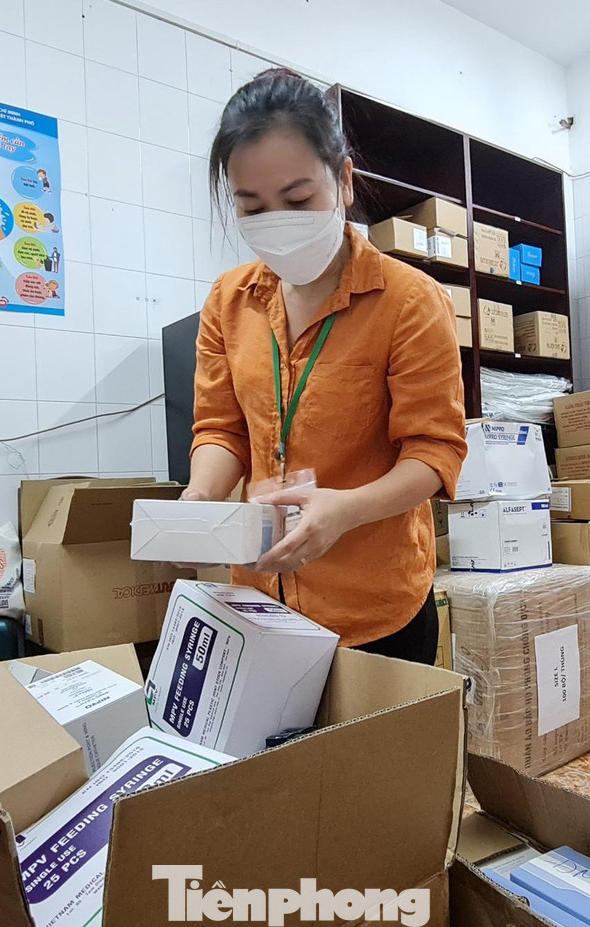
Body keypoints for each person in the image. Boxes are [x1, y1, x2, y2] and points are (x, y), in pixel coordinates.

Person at [185, 69, 466, 664]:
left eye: (297, 200)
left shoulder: (408, 300)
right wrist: (200, 495)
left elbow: (433, 452)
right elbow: (221, 428)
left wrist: (345, 511)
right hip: (259, 603)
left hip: (374, 609)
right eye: (252, 206)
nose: (276, 222)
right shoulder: (228, 301)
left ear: (343, 180)